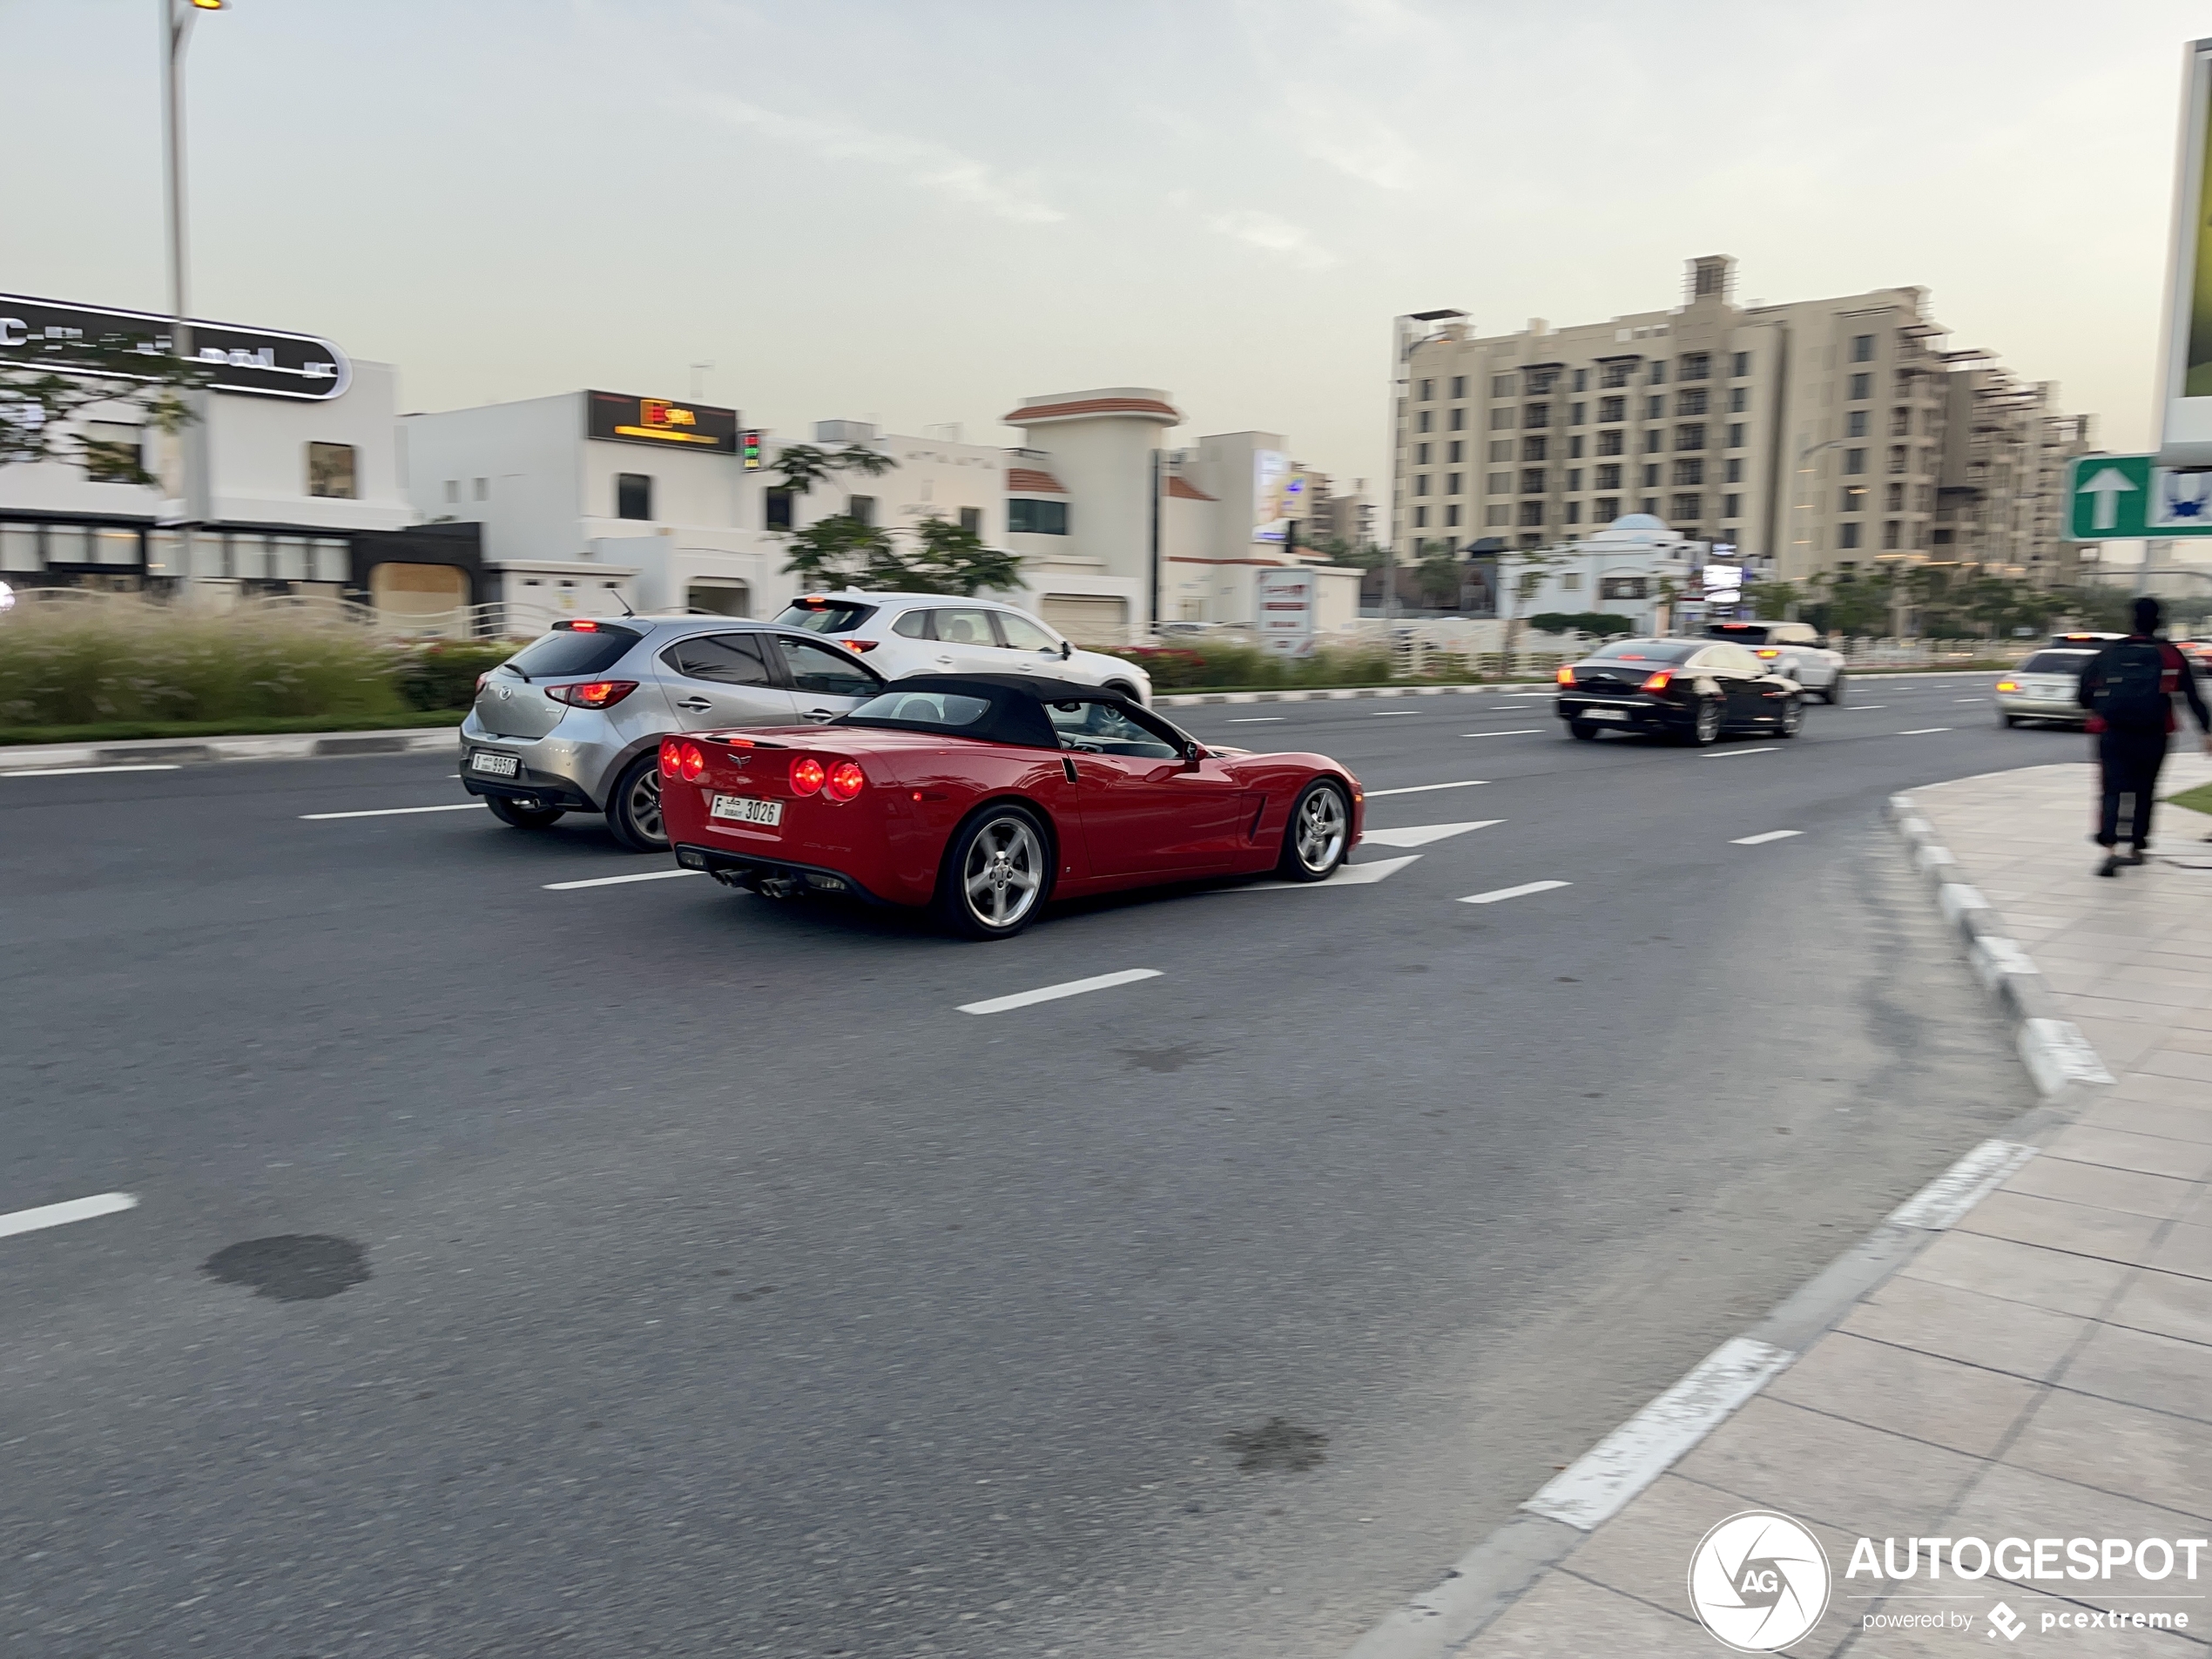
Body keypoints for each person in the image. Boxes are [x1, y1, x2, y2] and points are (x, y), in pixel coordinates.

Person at [2077, 596, 2212, 876]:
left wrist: (2098, 709)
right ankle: (2137, 847)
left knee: (2111, 789)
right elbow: (2192, 697)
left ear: (2132, 620)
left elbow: (2083, 694)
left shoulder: (2111, 652)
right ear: (2159, 621)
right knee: (2145, 789)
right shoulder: (2171, 654)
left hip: (2113, 733)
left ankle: (2109, 850)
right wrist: (2206, 731)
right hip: (2154, 734)